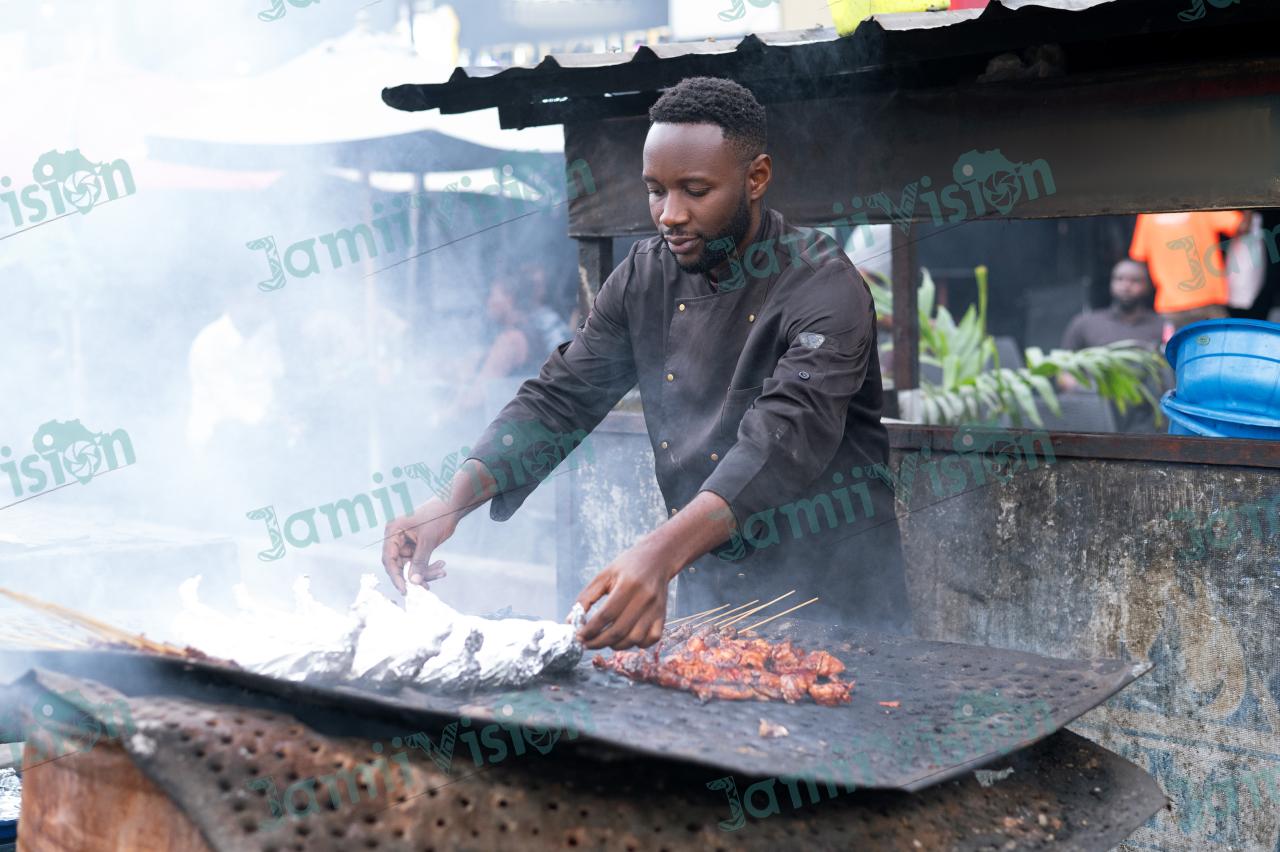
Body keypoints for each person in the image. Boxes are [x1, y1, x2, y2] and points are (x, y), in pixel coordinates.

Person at [382, 76, 910, 650]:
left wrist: (657, 553)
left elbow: (781, 440)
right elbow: (560, 399)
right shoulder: (644, 277)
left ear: (756, 178)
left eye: (695, 190)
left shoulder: (822, 281)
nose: (670, 214)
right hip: (711, 587)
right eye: (656, 190)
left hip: (839, 601)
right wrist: (451, 503)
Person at [1058, 259, 1166, 432]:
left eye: (1134, 280)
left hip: (1146, 419)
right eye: (1120, 279)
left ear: (1147, 286)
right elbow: (1062, 371)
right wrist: (1087, 392)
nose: (1126, 285)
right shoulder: (1086, 323)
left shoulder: (1162, 325)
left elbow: (1169, 376)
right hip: (1096, 414)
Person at [1128, 210, 1246, 330]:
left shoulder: (1148, 212)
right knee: (1218, 345)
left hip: (1171, 303)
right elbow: (1241, 226)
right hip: (1206, 300)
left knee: (1176, 347)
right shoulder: (1200, 205)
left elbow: (1139, 257)